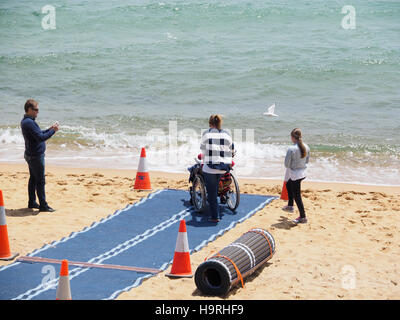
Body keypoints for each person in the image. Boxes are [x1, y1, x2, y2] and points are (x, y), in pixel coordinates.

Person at [21, 99, 58, 212]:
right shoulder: (28, 122)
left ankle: (32, 202)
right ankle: (43, 205)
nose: (37, 112)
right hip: (35, 156)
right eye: (36, 110)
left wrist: (49, 129)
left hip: (31, 155)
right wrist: (54, 131)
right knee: (40, 181)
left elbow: (38, 133)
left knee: (33, 179)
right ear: (29, 109)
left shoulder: (28, 121)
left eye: (38, 109)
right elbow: (41, 137)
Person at [200, 114, 235, 223]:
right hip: (224, 167)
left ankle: (215, 216)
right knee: (218, 181)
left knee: (212, 192)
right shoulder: (227, 134)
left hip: (210, 168)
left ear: (210, 124)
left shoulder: (206, 133)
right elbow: (232, 149)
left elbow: (203, 150)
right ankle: (223, 193)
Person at [282, 128, 310, 224]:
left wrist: (293, 167)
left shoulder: (291, 149)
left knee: (297, 196)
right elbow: (307, 161)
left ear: (293, 137)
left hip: (295, 175)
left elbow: (286, 164)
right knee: (288, 185)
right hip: (303, 173)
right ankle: (290, 205)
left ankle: (303, 217)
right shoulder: (306, 147)